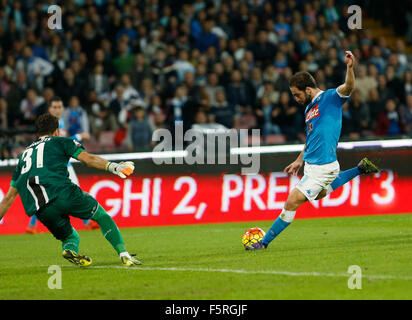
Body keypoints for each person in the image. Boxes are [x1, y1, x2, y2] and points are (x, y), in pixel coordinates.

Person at [247, 51, 380, 250]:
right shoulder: (309, 109)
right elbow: (311, 137)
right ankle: (360, 169)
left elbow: (349, 87)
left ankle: (263, 243)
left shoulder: (330, 98)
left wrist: (350, 68)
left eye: (297, 94)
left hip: (323, 166)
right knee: (318, 195)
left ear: (308, 90)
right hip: (312, 165)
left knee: (291, 201)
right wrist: (300, 159)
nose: (295, 98)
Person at [0, 113, 141, 267]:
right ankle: (124, 254)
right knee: (101, 216)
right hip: (64, 193)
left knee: (70, 237)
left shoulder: (23, 156)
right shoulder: (61, 142)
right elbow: (88, 159)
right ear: (56, 131)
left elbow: (8, 198)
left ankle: (69, 250)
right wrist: (114, 166)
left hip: (42, 209)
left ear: (38, 132)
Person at [26, 97, 97, 234]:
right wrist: (79, 136)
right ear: (49, 109)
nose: (58, 110)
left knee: (48, 195)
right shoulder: (47, 126)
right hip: (56, 164)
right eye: (55, 107)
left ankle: (32, 224)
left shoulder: (61, 123)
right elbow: (58, 143)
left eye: (60, 107)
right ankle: (87, 222)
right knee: (72, 190)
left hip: (61, 162)